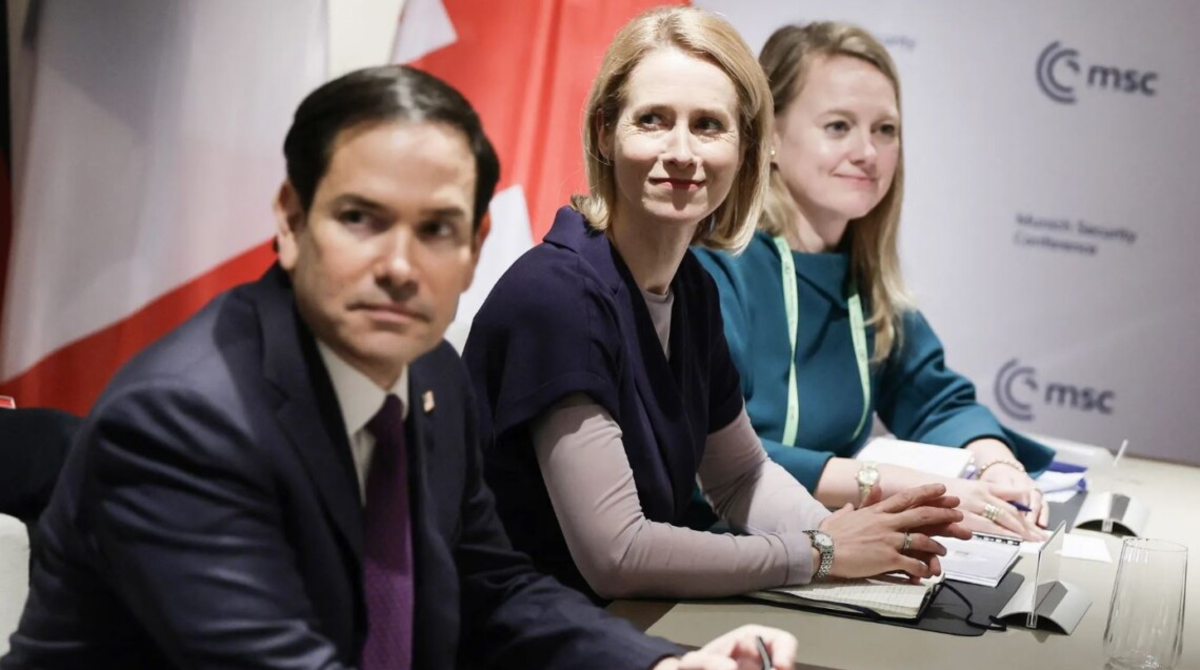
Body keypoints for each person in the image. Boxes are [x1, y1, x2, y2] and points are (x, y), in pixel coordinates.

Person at [1, 64, 799, 670]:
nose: (398, 266)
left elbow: (493, 588)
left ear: (474, 251)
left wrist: (662, 666)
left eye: (437, 229)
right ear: (290, 223)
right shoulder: (183, 419)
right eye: (361, 219)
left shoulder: (433, 379)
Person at [464, 6, 970, 604]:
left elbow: (740, 476)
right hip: (518, 631)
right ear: (604, 132)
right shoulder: (558, 296)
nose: (682, 151)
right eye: (652, 120)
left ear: (747, 146)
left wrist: (852, 538)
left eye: (708, 125)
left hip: (612, 619)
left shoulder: (691, 288)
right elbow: (618, 556)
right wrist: (822, 552)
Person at [694, 22, 1055, 542]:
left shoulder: (862, 278)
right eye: (838, 126)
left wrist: (996, 465)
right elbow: (714, 455)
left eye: (885, 130)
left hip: (829, 547)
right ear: (769, 136)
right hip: (719, 551)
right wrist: (900, 485)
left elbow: (934, 399)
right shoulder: (715, 268)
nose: (868, 151)